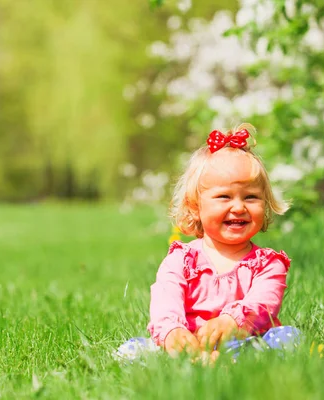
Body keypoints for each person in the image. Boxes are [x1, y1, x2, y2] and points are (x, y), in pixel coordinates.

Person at [115, 124, 299, 362]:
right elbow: (165, 299)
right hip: (189, 344)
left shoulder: (268, 265)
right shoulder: (181, 260)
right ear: (195, 207)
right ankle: (188, 361)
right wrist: (173, 332)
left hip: (243, 344)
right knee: (131, 351)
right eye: (224, 196)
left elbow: (264, 304)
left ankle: (230, 363)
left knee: (289, 338)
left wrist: (231, 321)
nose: (239, 207)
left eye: (251, 197)